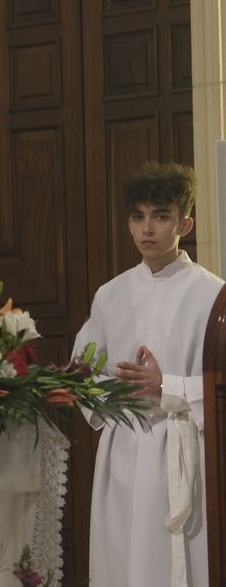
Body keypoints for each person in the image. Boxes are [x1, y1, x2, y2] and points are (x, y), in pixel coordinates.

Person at [73, 162, 223, 587]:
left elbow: (223, 388)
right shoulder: (111, 295)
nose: (147, 229)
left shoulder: (214, 295)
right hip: (123, 453)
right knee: (122, 564)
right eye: (138, 217)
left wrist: (168, 387)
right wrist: (112, 392)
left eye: (160, 216)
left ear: (185, 223)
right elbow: (81, 374)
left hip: (183, 451)